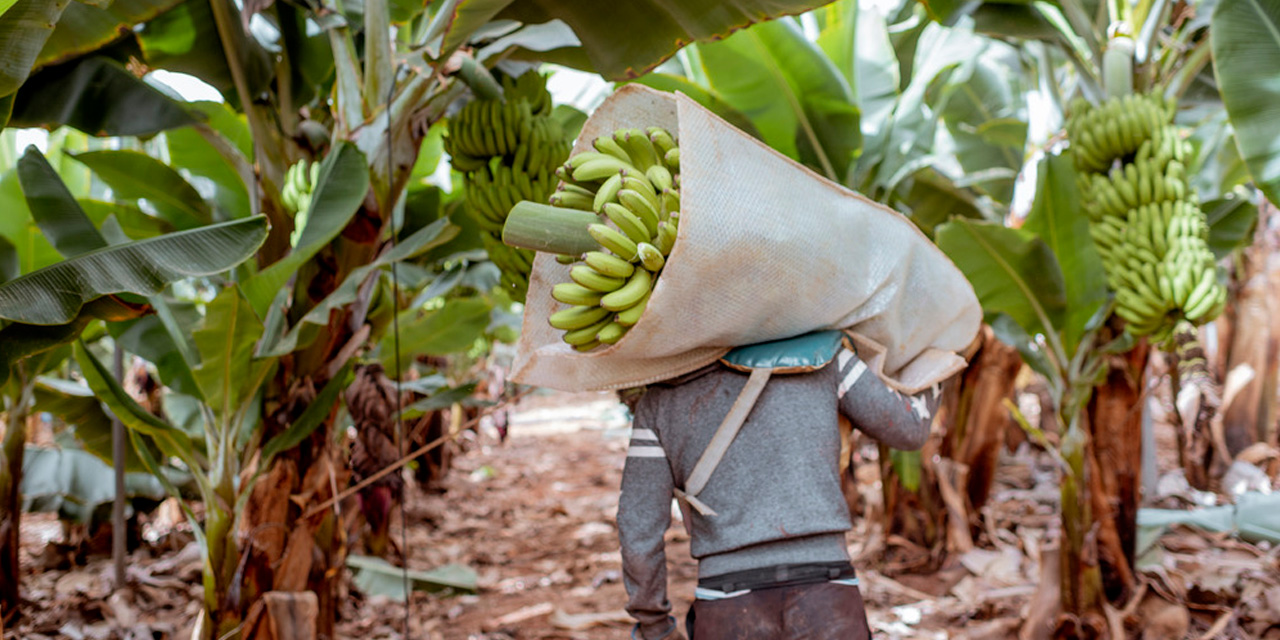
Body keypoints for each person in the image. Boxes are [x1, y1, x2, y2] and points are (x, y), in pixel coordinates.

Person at [616, 330, 944, 639]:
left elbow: (638, 528)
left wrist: (653, 624)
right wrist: (938, 366)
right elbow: (908, 428)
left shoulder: (660, 402)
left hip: (726, 604)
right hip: (828, 597)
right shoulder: (825, 358)